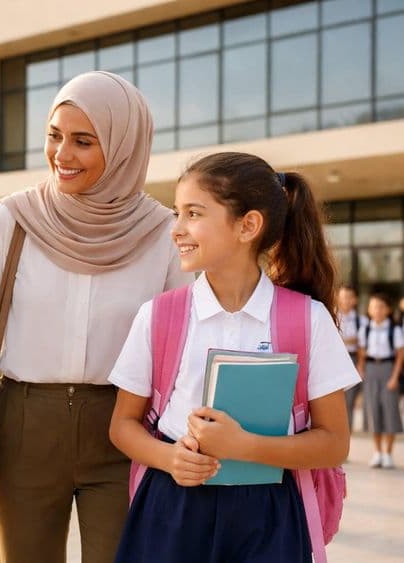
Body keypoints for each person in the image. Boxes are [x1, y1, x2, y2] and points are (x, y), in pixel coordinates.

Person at [0, 71, 190, 563]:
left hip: (125, 429)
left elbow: (182, 353)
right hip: (23, 426)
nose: (61, 155)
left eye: (83, 141)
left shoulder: (163, 235)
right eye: (54, 136)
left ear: (124, 146)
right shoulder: (13, 219)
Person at [108, 152, 358, 562]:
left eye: (193, 213)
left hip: (270, 514)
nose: (177, 229)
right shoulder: (159, 315)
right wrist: (169, 458)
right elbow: (122, 425)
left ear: (248, 225)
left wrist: (245, 445)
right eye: (177, 213)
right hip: (172, 505)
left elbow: (334, 443)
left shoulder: (307, 320)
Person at [357, 292, 403, 469]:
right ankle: (377, 452)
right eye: (374, 306)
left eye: (381, 307)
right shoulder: (365, 329)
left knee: (390, 410)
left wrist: (394, 377)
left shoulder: (395, 329)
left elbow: (400, 356)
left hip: (388, 369)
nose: (377, 310)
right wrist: (361, 369)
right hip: (371, 370)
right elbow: (362, 352)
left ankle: (388, 453)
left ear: (388, 310)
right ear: (369, 309)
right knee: (373, 409)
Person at [337, 285, 365, 432]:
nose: (346, 300)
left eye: (349, 297)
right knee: (335, 397)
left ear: (355, 300)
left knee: (350, 398)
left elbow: (362, 344)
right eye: (343, 297)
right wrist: (351, 340)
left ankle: (348, 431)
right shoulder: (332, 315)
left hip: (353, 359)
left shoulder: (362, 320)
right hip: (335, 360)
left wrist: (361, 365)